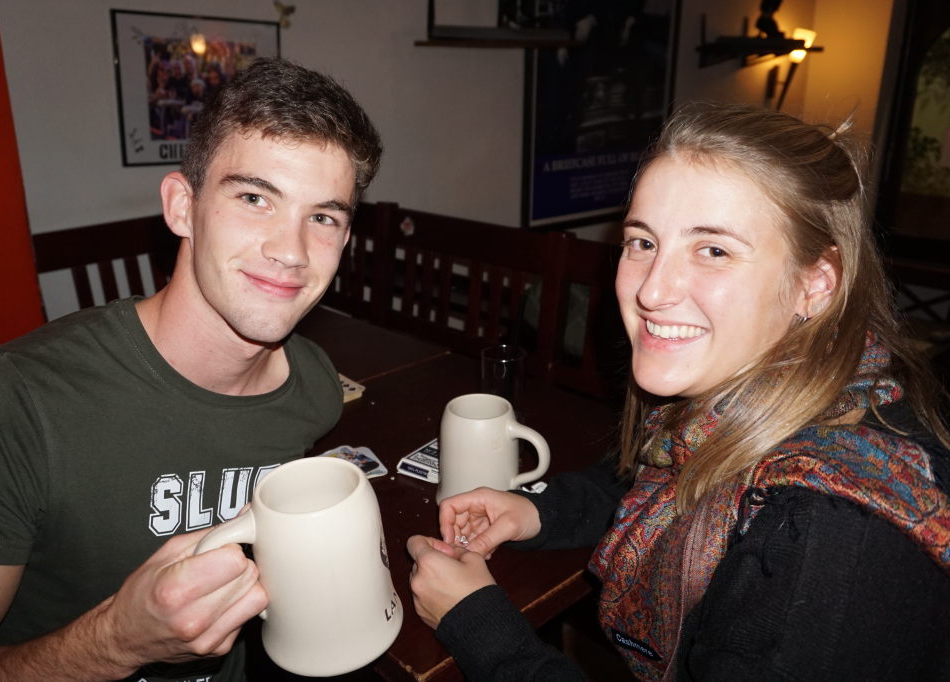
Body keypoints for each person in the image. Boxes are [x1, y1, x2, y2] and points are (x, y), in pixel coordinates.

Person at [407, 102, 950, 681]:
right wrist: (538, 512)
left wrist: (479, 624)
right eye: (642, 242)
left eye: (713, 250)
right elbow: (661, 482)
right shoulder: (743, 389)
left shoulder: (825, 538)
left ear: (814, 284)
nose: (651, 291)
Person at [0, 57, 382, 681]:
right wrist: (115, 642)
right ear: (182, 206)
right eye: (254, 198)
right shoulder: (5, 406)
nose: (291, 251)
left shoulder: (314, 388)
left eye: (323, 217)